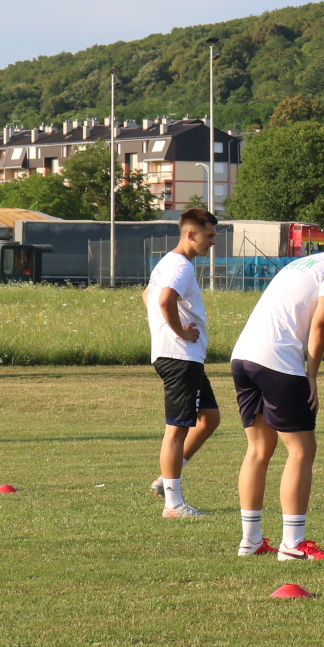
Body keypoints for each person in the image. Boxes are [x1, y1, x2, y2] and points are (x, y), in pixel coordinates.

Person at [230, 214, 324, 562]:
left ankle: (251, 540)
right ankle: (293, 543)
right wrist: (312, 374)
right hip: (277, 361)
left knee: (259, 449)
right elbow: (320, 324)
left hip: (243, 357)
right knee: (302, 449)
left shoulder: (303, 262)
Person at [146, 207, 221, 518]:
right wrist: (178, 332)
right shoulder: (181, 267)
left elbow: (146, 295)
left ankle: (166, 481)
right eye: (209, 236)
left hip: (183, 356)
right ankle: (173, 504)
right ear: (192, 234)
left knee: (210, 418)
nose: (213, 242)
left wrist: (163, 328)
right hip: (179, 357)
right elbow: (163, 300)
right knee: (176, 429)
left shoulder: (168, 263)